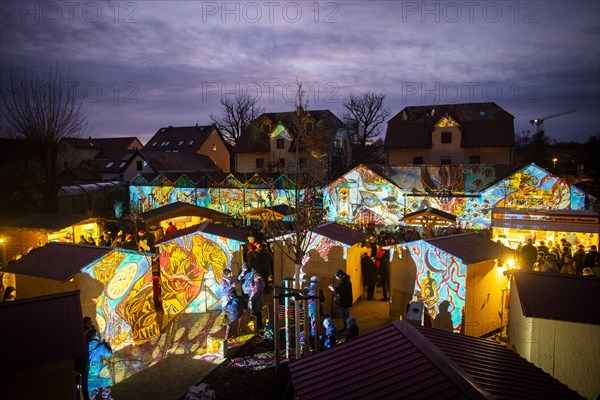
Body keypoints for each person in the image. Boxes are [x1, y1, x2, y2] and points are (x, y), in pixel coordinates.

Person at [86, 328, 113, 400]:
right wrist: (108, 346)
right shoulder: (99, 346)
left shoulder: (84, 345)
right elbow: (108, 354)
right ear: (95, 336)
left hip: (86, 376)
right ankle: (107, 397)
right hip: (97, 373)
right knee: (106, 381)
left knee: (89, 394)